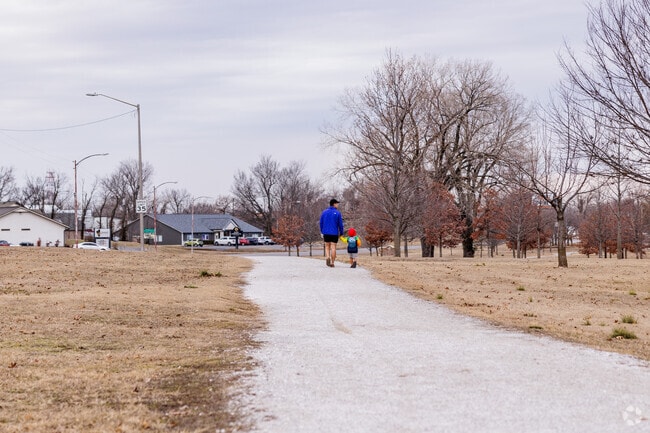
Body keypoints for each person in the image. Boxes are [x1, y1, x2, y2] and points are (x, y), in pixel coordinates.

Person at [319, 198, 344, 267]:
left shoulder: (324, 212)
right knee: (333, 247)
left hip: (326, 232)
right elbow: (340, 224)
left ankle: (327, 257)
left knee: (327, 246)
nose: (338, 205)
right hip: (334, 233)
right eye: (337, 203)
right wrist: (341, 232)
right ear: (334, 204)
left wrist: (321, 231)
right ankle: (332, 262)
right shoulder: (338, 213)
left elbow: (321, 223)